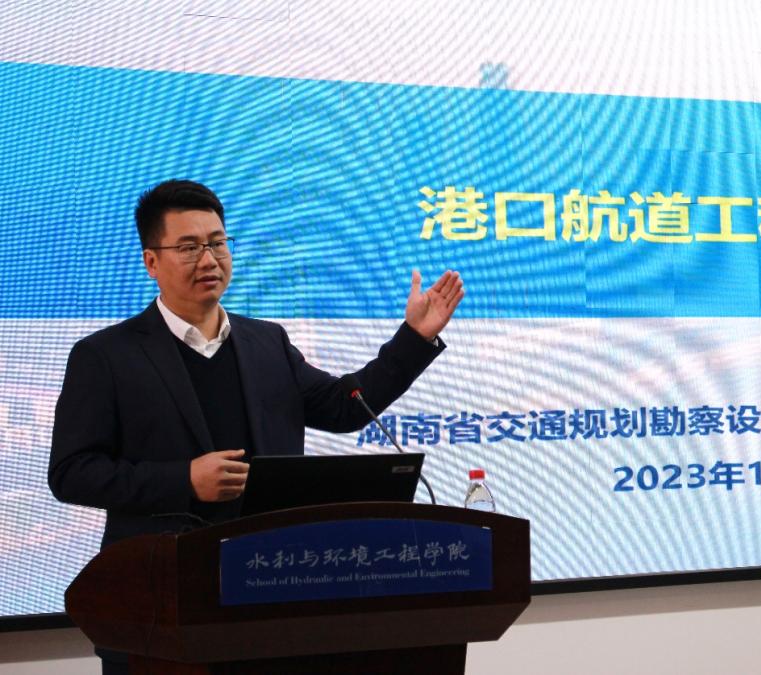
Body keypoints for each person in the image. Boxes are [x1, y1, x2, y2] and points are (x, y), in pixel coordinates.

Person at [48, 179, 463, 675]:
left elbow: (346, 407)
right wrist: (184, 480)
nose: (209, 259)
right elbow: (71, 472)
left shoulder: (267, 342)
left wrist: (413, 337)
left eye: (217, 243)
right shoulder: (105, 356)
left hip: (269, 603)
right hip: (160, 613)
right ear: (151, 262)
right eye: (189, 247)